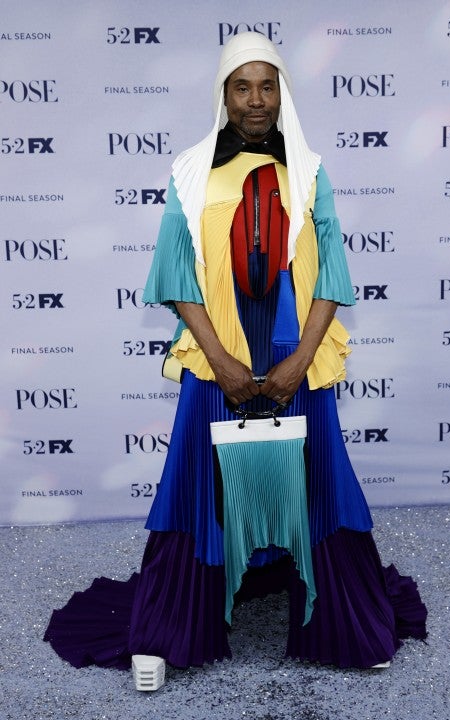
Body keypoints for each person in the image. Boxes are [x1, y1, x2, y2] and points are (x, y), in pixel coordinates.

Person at [44, 32, 427, 689]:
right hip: (216, 356)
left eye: (267, 86)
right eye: (242, 87)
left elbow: (331, 276)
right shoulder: (191, 171)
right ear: (223, 95)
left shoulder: (310, 170)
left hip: (295, 353)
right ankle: (164, 631)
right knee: (197, 485)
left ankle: (346, 624)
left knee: (319, 482)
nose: (256, 100)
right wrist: (220, 360)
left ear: (283, 93)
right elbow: (176, 277)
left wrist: (300, 359)